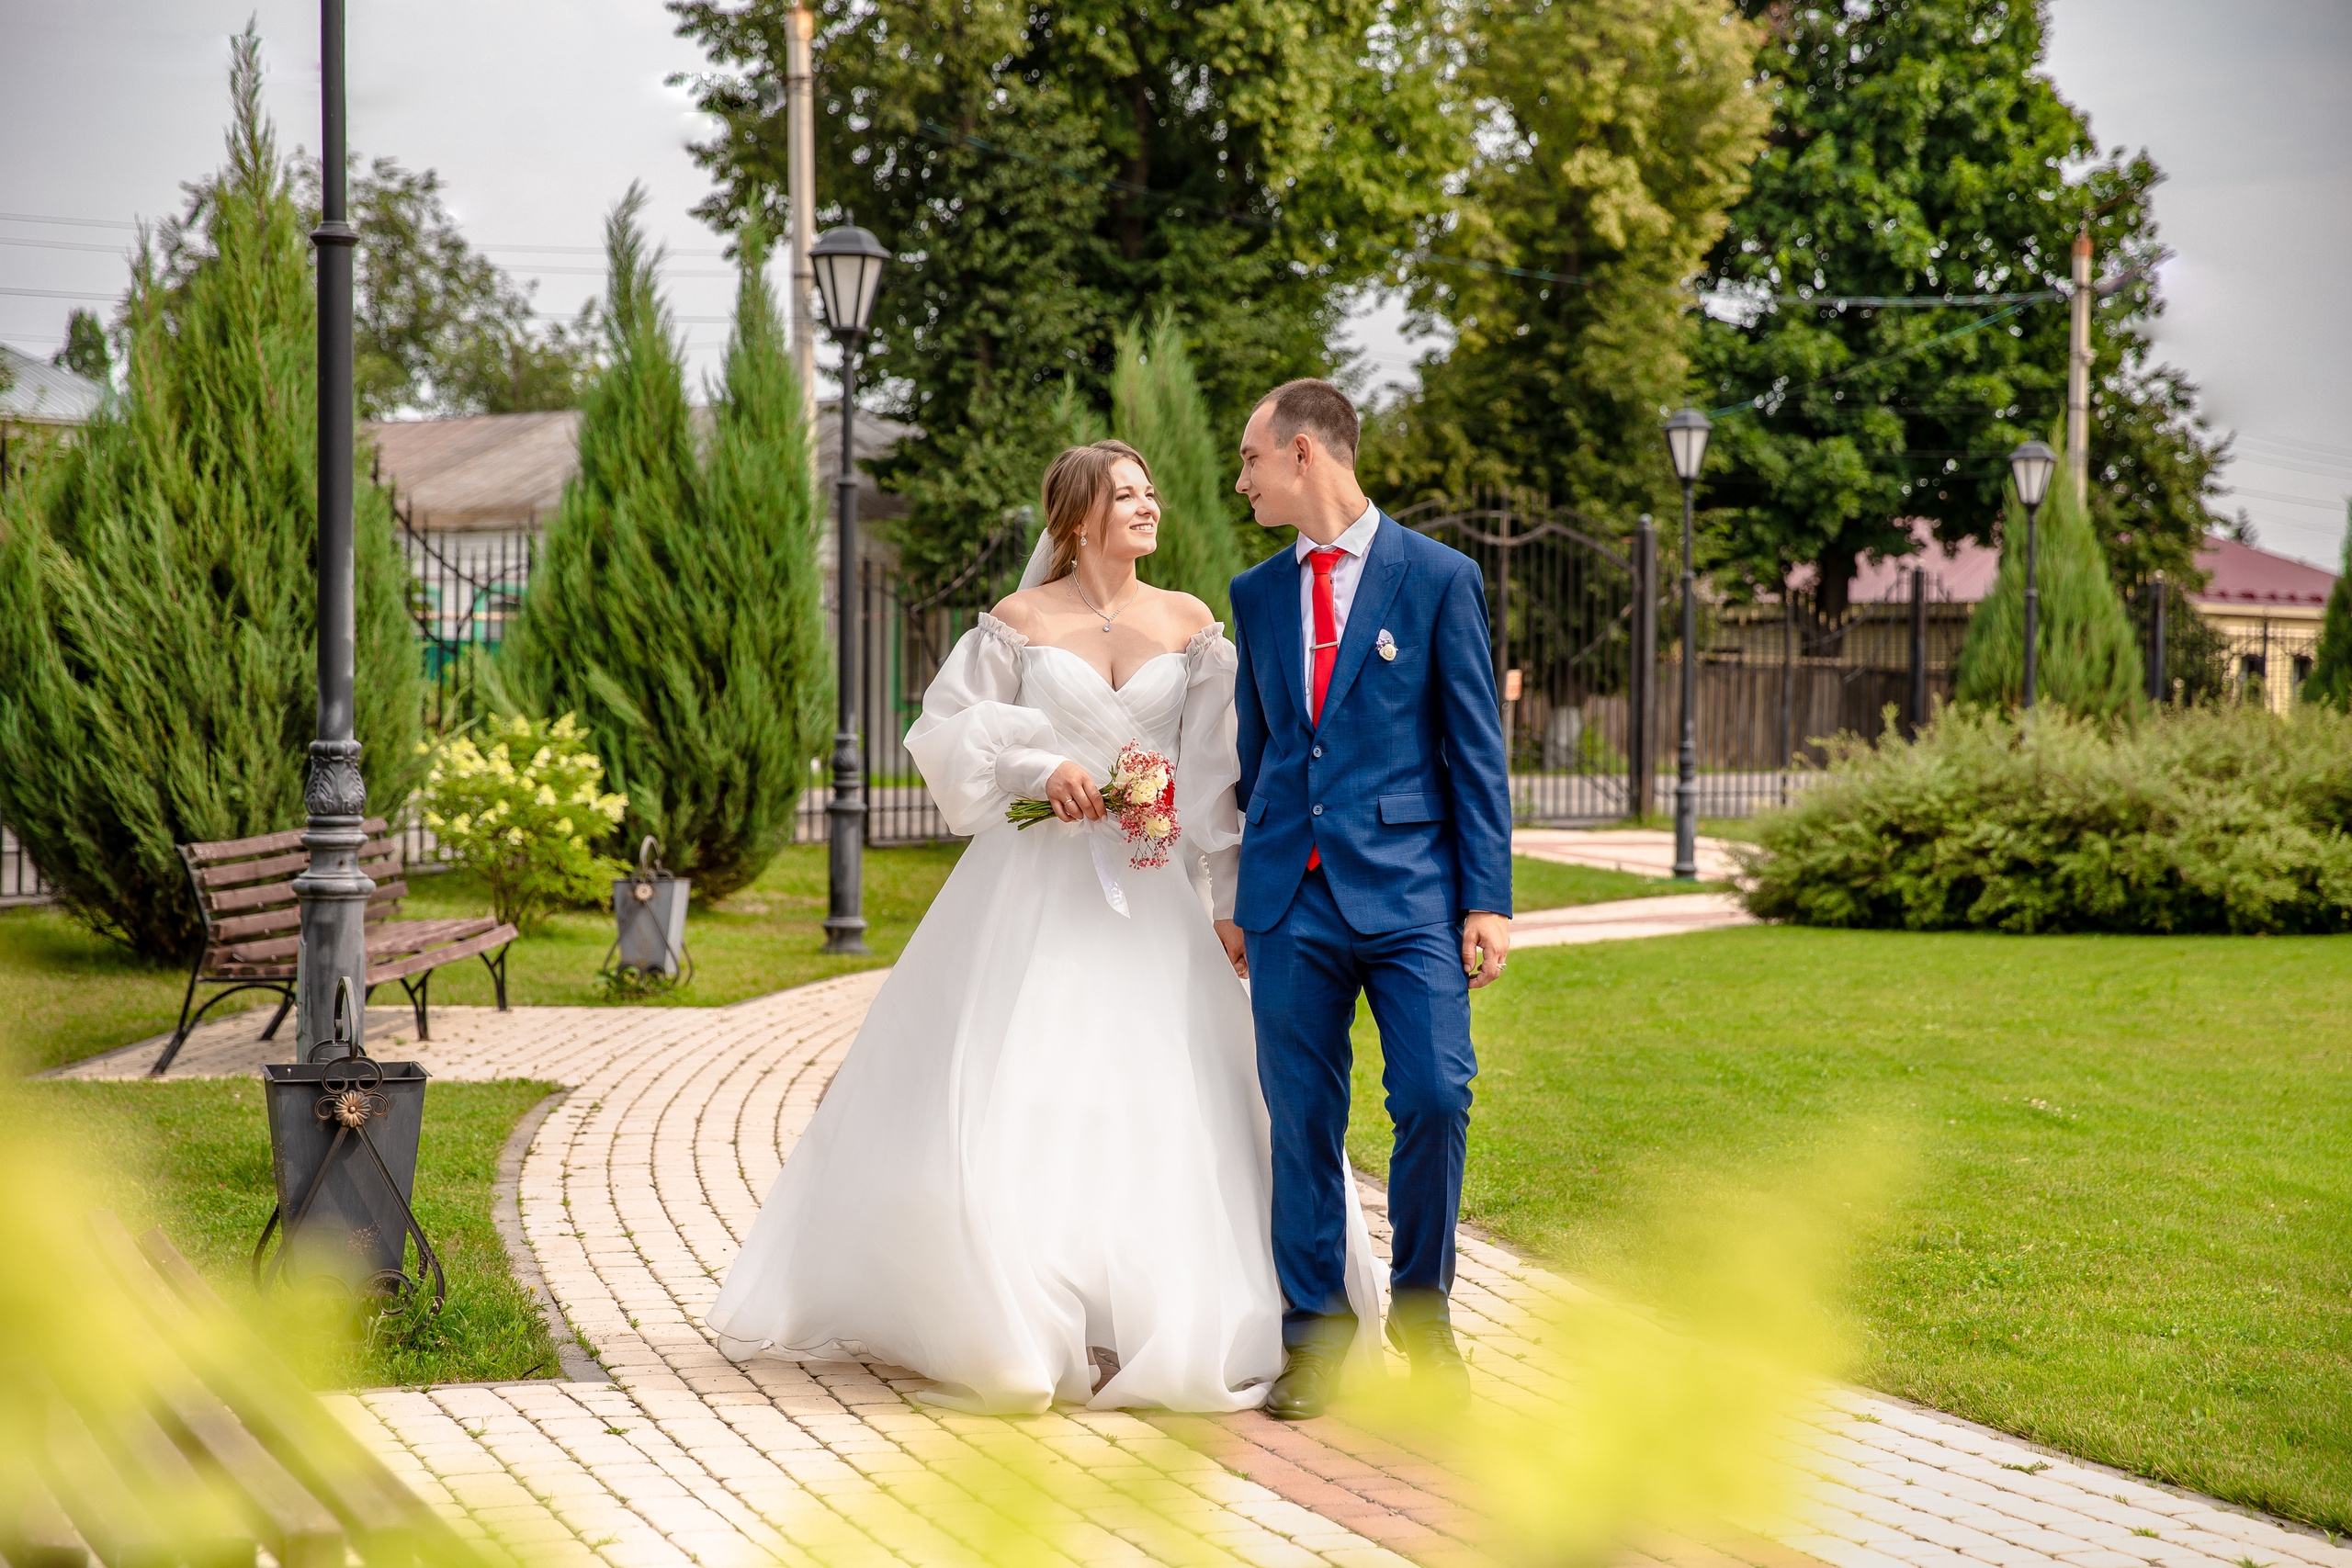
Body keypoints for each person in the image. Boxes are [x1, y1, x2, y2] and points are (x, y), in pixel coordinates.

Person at [706, 439, 1379, 1415]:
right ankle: (1025, 1318)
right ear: (1075, 517)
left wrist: (1227, 901)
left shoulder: (1192, 624)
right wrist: (1039, 768)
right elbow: (949, 732)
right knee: (1021, 1089)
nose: (1150, 508)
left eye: (1151, 492)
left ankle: (1148, 1314)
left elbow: (1221, 776)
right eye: (1126, 496)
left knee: (1166, 1099)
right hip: (1033, 891)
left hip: (1150, 893)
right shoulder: (1016, 623)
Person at [1224, 378, 1513, 1420]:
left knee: (1436, 1094)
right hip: (1287, 901)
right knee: (1301, 1119)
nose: (1242, 477)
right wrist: (1236, 889)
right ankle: (1315, 1336)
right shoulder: (1255, 596)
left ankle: (1425, 1316)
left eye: (1251, 458)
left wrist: (1488, 898)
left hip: (1412, 895)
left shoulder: (1437, 579)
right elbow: (1252, 759)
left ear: (1304, 453)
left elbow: (1473, 750)